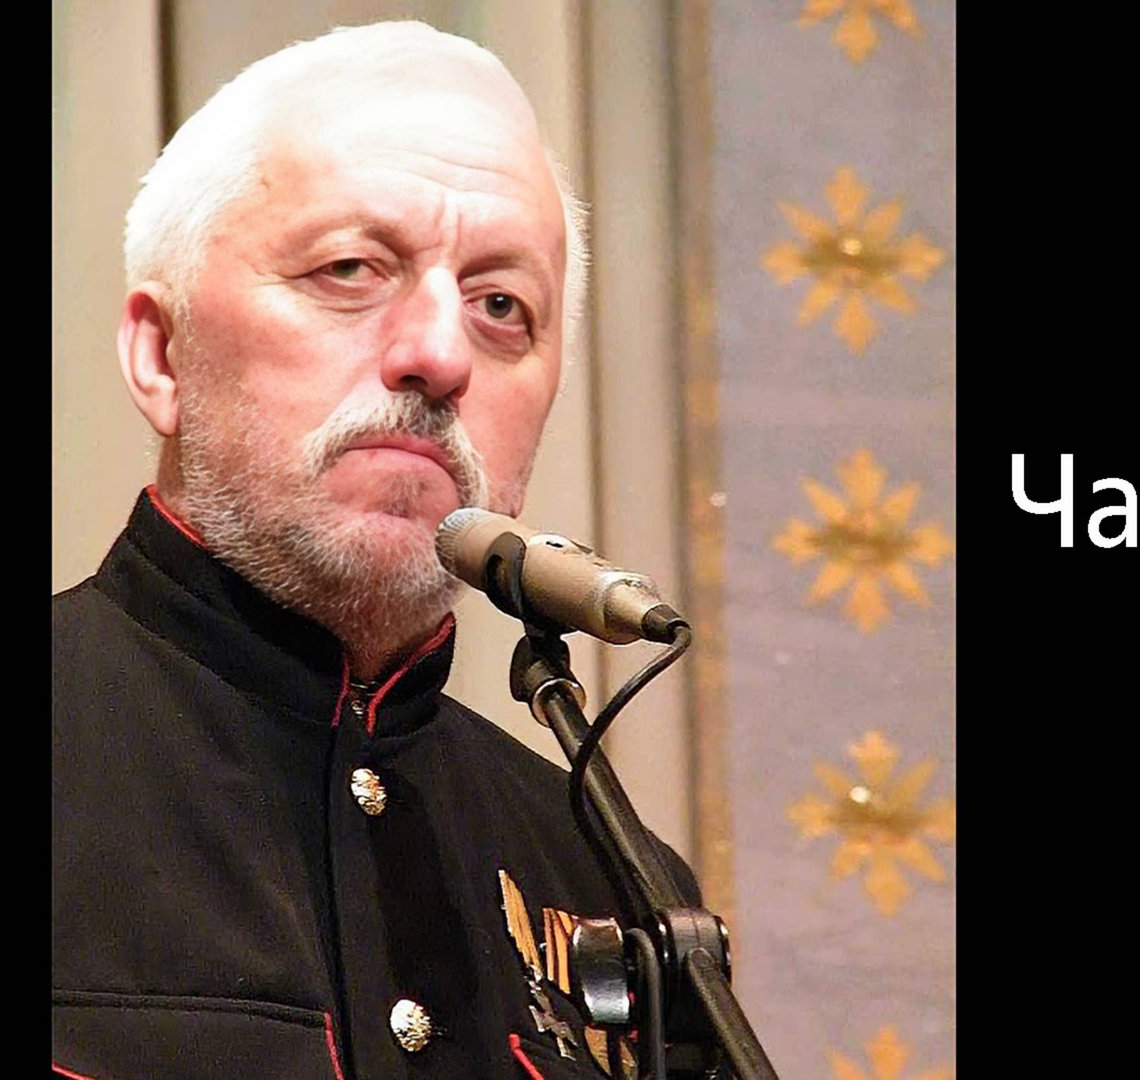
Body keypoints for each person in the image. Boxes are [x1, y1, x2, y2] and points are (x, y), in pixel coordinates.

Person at [52, 21, 699, 1080]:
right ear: (163, 355)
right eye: (350, 269)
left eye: (501, 305)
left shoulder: (616, 885)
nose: (440, 355)